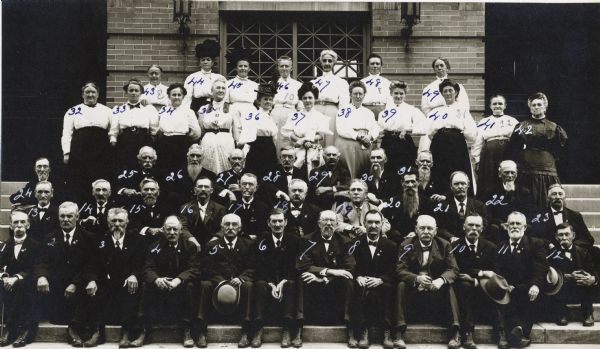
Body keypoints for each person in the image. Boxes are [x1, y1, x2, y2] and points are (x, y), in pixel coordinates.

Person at [395, 215, 461, 349]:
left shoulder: (445, 245)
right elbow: (399, 270)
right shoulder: (406, 245)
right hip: (414, 291)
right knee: (401, 285)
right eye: (422, 228)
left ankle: (455, 332)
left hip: (435, 290)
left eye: (429, 228)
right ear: (416, 229)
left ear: (435, 231)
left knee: (449, 287)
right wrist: (416, 279)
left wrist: (440, 280)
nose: (426, 231)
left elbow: (453, 269)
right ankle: (398, 332)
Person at [39, 202, 97, 346]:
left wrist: (75, 283)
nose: (65, 219)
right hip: (57, 287)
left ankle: (74, 329)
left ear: (77, 217)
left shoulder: (88, 237)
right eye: (62, 216)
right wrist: (42, 276)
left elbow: (90, 265)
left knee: (90, 284)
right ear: (58, 217)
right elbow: (42, 261)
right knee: (58, 317)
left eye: (69, 216)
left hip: (79, 283)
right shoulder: (49, 238)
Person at [140, 216, 201, 347]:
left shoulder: (190, 246)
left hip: (181, 286)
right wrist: (156, 279)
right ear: (163, 230)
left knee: (190, 286)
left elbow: (194, 269)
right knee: (146, 286)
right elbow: (147, 268)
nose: (172, 232)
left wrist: (179, 279)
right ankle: (145, 331)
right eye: (168, 229)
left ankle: (187, 330)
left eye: (175, 229)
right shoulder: (154, 246)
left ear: (180, 231)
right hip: (161, 286)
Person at [296, 211, 355, 344]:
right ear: (318, 223)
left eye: (332, 221)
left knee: (348, 280)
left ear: (337, 224)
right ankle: (298, 328)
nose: (328, 224)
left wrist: (324, 278)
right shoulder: (307, 240)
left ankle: (350, 328)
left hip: (335, 284)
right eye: (325, 220)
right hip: (314, 284)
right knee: (302, 277)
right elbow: (303, 265)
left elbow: (349, 267)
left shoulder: (346, 241)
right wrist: (331, 271)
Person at [90, 208, 145, 347]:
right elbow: (93, 264)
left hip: (127, 282)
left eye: (120, 221)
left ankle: (126, 333)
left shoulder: (137, 240)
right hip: (107, 282)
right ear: (108, 223)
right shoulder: (100, 241)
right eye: (113, 221)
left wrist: (134, 275)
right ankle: (98, 332)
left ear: (127, 222)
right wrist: (92, 280)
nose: (117, 224)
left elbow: (140, 263)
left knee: (132, 289)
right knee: (95, 289)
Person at [199, 214, 256, 348]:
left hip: (239, 283)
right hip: (217, 283)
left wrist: (241, 278)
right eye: (227, 224)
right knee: (204, 285)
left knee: (249, 285)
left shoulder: (248, 245)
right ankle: (202, 331)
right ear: (222, 227)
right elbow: (206, 268)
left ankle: (246, 332)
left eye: (234, 224)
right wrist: (221, 282)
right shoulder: (212, 245)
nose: (230, 227)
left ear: (240, 227)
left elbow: (253, 267)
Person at [494, 212, 548, 348]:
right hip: (506, 287)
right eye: (511, 223)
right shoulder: (500, 246)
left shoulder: (536, 244)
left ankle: (517, 332)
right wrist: (505, 285)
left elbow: (540, 267)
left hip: (527, 288)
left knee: (528, 296)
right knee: (501, 298)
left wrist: (535, 285)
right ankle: (515, 334)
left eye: (518, 223)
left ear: (524, 227)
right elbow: (497, 269)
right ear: (506, 227)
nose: (514, 226)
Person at [506, 92, 568, 209]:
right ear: (530, 108)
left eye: (539, 104)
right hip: (526, 163)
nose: (536, 107)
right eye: (533, 105)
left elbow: (559, 149)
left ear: (545, 107)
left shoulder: (554, 127)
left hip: (546, 164)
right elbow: (514, 148)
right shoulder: (522, 126)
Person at [253, 209, 303, 348]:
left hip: (286, 280)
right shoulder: (261, 241)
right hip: (267, 280)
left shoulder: (294, 241)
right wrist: (271, 284)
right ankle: (258, 329)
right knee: (259, 284)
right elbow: (258, 266)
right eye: (274, 221)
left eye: (280, 221)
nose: (277, 224)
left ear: (286, 222)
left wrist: (283, 282)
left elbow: (296, 266)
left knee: (291, 284)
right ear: (268, 223)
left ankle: (287, 330)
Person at [420, 79, 478, 196]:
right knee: (439, 172)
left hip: (457, 144)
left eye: (450, 90)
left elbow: (472, 134)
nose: (448, 93)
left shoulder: (462, 110)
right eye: (445, 91)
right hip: (439, 144)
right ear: (441, 93)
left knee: (458, 171)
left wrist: (459, 133)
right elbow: (428, 132)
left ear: (456, 92)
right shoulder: (435, 111)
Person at [349, 210, 397, 349]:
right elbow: (349, 264)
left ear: (382, 224)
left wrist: (381, 279)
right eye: (370, 222)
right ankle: (363, 332)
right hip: (362, 282)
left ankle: (387, 332)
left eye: (377, 222)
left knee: (388, 288)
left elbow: (394, 270)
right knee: (357, 288)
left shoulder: (391, 245)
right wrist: (358, 276)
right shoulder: (355, 244)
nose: (373, 225)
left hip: (382, 283)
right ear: (364, 224)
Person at [451, 214, 499, 349]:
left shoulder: (490, 247)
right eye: (470, 225)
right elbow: (457, 270)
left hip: (484, 288)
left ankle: (501, 333)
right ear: (464, 227)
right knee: (465, 285)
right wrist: (480, 272)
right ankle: (468, 333)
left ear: (482, 229)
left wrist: (475, 279)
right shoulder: (454, 246)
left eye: (477, 226)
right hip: (463, 289)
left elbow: (494, 272)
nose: (474, 228)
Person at [61, 81, 113, 202]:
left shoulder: (107, 111)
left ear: (98, 94)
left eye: (93, 92)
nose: (90, 95)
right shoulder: (73, 111)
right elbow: (67, 133)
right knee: (80, 179)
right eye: (87, 92)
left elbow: (113, 131)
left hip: (101, 149)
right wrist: (66, 152)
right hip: (80, 150)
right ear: (82, 94)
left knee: (99, 177)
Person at [0, 211, 44, 347]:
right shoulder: (4, 245)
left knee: (22, 287)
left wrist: (17, 277)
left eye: (22, 222)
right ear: (11, 226)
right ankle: (8, 328)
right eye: (16, 223)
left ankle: (25, 330)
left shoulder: (36, 246)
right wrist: (5, 276)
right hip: (8, 284)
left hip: (28, 283)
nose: (19, 226)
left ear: (28, 225)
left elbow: (36, 268)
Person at [545, 223, 596, 327]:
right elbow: (549, 272)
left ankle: (588, 313)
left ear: (573, 235)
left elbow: (592, 270)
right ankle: (561, 314)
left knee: (585, 281)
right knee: (557, 286)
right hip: (562, 288)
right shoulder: (551, 254)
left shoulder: (583, 252)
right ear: (556, 237)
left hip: (580, 287)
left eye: (567, 234)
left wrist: (591, 278)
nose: (564, 237)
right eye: (561, 235)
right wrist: (567, 276)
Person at [280, 82, 331, 174]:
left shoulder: (320, 116)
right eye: (305, 98)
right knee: (297, 174)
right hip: (297, 150)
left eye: (310, 98)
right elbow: (288, 133)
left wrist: (308, 140)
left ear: (315, 98)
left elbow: (321, 135)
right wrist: (301, 141)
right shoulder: (294, 115)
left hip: (314, 151)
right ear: (301, 99)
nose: (307, 100)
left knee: (313, 174)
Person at [472, 95, 518, 195]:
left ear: (505, 106)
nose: (497, 106)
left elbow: (519, 141)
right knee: (490, 180)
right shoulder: (484, 122)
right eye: (494, 104)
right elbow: (477, 142)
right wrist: (477, 161)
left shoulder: (513, 121)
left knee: (507, 176)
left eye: (500, 103)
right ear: (490, 106)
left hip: (507, 153)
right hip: (490, 155)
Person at [109, 78, 159, 170]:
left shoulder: (149, 109)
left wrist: (151, 142)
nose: (133, 93)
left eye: (136, 90)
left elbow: (154, 129)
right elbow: (114, 129)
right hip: (125, 140)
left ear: (140, 93)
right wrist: (113, 141)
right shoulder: (118, 109)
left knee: (143, 164)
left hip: (143, 139)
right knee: (126, 164)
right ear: (126, 92)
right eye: (131, 90)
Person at [377, 80, 427, 172]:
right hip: (388, 142)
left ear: (405, 94)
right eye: (396, 93)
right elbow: (380, 129)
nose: (398, 96)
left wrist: (408, 130)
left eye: (401, 93)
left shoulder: (411, 109)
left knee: (404, 168)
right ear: (391, 93)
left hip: (404, 142)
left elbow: (424, 127)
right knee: (389, 169)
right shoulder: (384, 112)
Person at [335, 80, 380, 179]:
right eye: (355, 93)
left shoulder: (368, 112)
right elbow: (341, 128)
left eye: (360, 94)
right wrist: (358, 136)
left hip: (365, 144)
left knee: (364, 170)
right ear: (350, 95)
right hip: (348, 144)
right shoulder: (343, 110)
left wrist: (370, 136)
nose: (358, 96)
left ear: (364, 95)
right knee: (348, 172)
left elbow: (375, 127)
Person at [481, 161, 534, 244]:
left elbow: (528, 212)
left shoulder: (524, 192)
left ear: (516, 175)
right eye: (506, 172)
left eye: (512, 173)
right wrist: (500, 223)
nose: (510, 176)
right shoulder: (491, 192)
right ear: (500, 174)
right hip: (499, 226)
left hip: (518, 225)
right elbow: (488, 214)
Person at [156, 83, 202, 175]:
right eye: (174, 95)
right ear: (169, 96)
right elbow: (158, 128)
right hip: (165, 143)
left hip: (181, 143)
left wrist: (185, 139)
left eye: (179, 95)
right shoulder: (163, 111)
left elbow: (196, 132)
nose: (176, 97)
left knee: (180, 169)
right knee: (164, 167)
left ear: (183, 96)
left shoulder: (188, 112)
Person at [529, 184, 595, 249]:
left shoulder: (575, 216)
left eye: (560, 194)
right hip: (548, 253)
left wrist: (571, 245)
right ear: (548, 198)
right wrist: (548, 244)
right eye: (554, 194)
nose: (557, 197)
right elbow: (533, 238)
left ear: (564, 198)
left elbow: (588, 239)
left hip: (571, 254)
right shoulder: (539, 216)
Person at [382, 169, 435, 244]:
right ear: (402, 183)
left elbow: (431, 223)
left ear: (418, 182)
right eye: (407, 182)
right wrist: (401, 237)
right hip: (397, 242)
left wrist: (416, 233)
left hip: (421, 241)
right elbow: (388, 224)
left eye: (413, 181)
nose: (410, 185)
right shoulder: (393, 201)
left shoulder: (427, 202)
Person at [237, 83, 279, 177]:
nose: (268, 102)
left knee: (269, 175)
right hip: (257, 149)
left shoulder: (271, 118)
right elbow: (247, 136)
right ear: (259, 101)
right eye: (265, 99)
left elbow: (275, 138)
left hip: (270, 149)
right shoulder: (253, 116)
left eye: (270, 99)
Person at [160, 144, 217, 213]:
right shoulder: (174, 175)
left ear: (202, 158)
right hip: (179, 212)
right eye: (192, 155)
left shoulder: (211, 176)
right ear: (187, 157)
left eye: (198, 156)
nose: (195, 159)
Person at [435, 172, 488, 243]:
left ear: (468, 185)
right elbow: (439, 228)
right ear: (451, 186)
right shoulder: (442, 206)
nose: (460, 186)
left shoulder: (479, 206)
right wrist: (450, 237)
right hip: (450, 243)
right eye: (456, 184)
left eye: (463, 183)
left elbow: (484, 227)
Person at [311, 49, 350, 145]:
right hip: (316, 110)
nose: (327, 63)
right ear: (321, 62)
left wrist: (342, 119)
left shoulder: (341, 82)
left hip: (332, 111)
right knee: (316, 138)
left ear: (334, 63)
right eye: (324, 61)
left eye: (330, 61)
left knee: (330, 139)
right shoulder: (314, 82)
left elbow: (343, 104)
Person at [198, 77, 236, 174]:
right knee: (207, 168)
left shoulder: (232, 108)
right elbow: (200, 130)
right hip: (208, 143)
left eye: (223, 88)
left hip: (226, 142)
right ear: (212, 90)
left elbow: (236, 130)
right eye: (218, 88)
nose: (221, 90)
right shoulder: (204, 108)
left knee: (226, 168)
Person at [179, 177, 226, 248]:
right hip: (191, 246)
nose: (203, 189)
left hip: (214, 246)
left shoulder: (220, 209)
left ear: (211, 190)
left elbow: (223, 228)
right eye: (200, 186)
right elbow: (183, 227)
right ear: (195, 190)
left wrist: (215, 239)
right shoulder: (185, 208)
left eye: (206, 187)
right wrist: (192, 239)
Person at [271, 55, 303, 158]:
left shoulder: (298, 85)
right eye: (281, 66)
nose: (284, 68)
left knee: (290, 140)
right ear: (278, 68)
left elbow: (300, 106)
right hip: (276, 112)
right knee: (275, 140)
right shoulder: (273, 84)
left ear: (291, 68)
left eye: (286, 66)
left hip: (291, 112)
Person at [225, 47, 259, 143]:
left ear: (249, 68)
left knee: (249, 137)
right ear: (236, 68)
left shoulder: (254, 85)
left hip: (250, 112)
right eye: (240, 66)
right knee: (236, 136)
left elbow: (258, 102)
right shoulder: (229, 83)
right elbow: (226, 103)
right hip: (234, 111)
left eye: (245, 66)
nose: (242, 68)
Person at [184, 39, 225, 113]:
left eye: (208, 60)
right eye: (203, 60)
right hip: (197, 106)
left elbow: (225, 94)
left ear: (212, 63)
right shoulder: (192, 77)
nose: (205, 62)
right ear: (199, 63)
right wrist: (186, 112)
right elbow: (187, 97)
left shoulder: (219, 77)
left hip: (216, 105)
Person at [224, 173, 269, 240]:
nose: (247, 187)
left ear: (256, 188)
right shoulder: (231, 207)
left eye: (250, 184)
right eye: (244, 184)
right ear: (239, 186)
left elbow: (264, 231)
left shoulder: (263, 208)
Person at [361, 53, 390, 118]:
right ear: (368, 65)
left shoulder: (386, 82)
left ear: (381, 66)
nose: (375, 66)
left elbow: (390, 100)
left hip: (382, 110)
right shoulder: (362, 82)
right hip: (366, 109)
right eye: (372, 63)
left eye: (377, 63)